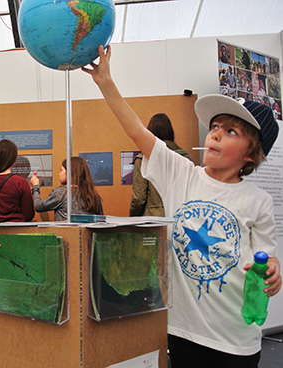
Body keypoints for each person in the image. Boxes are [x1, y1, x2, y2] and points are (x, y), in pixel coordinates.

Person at [83, 45, 281, 367]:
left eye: (231, 131)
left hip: (236, 340)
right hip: (183, 332)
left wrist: (273, 272)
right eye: (215, 127)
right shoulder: (182, 174)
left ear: (251, 154)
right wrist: (106, 82)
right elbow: (137, 131)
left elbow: (267, 256)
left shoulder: (258, 200)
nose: (216, 135)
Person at [129, 113, 193, 217]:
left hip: (153, 219)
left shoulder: (143, 158)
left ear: (150, 133)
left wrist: (133, 218)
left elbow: (139, 197)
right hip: (181, 216)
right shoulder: (185, 157)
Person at [30, 157, 103, 221]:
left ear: (69, 173)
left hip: (66, 235)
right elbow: (100, 218)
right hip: (86, 236)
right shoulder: (93, 195)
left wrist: (35, 186)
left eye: (61, 170)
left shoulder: (62, 192)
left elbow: (39, 207)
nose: (59, 174)